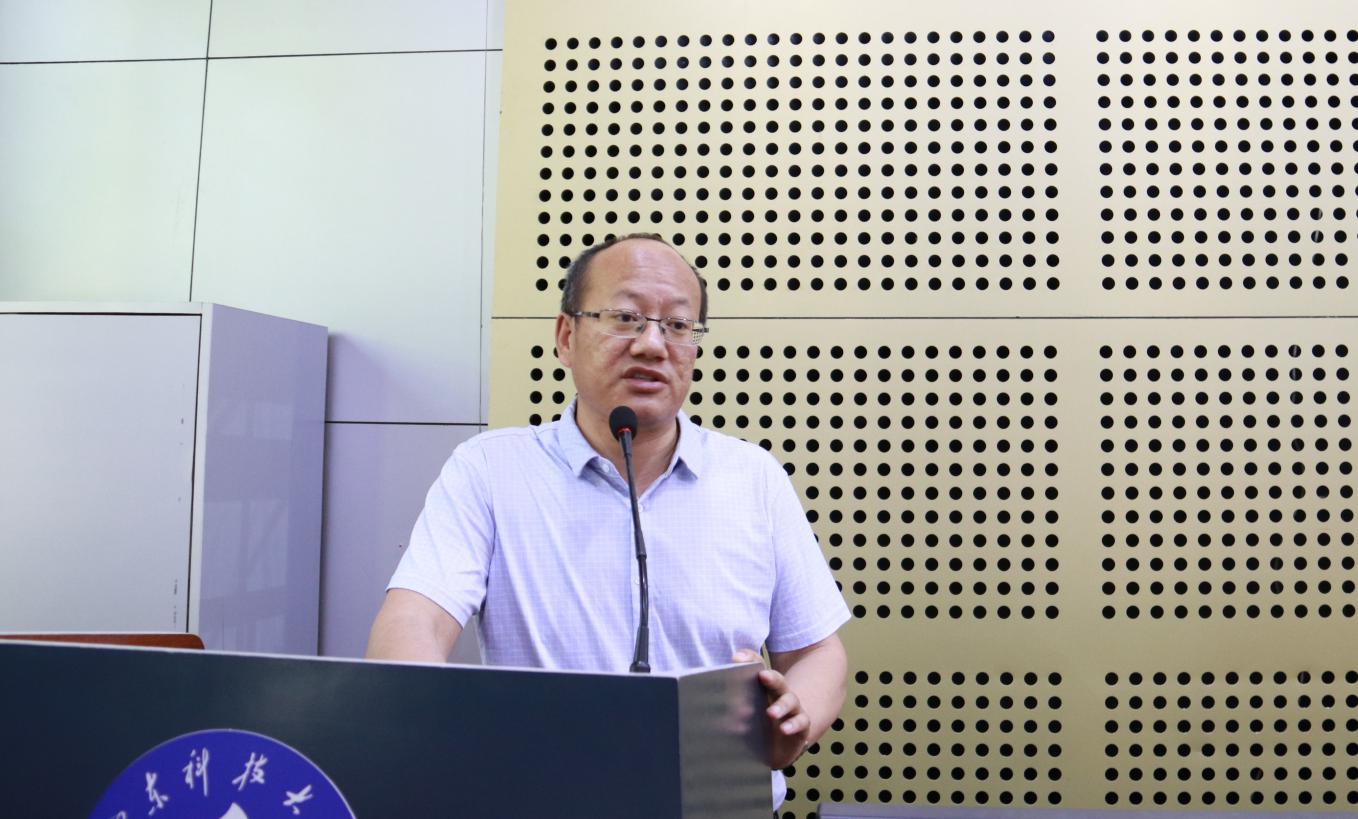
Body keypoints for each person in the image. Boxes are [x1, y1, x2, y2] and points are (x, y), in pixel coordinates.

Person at [367, 233, 849, 807]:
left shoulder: (753, 477)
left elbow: (817, 653)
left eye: (677, 325)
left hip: (717, 805)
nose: (652, 344)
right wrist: (423, 714)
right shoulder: (490, 470)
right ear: (566, 336)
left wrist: (792, 720)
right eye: (625, 318)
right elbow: (414, 620)